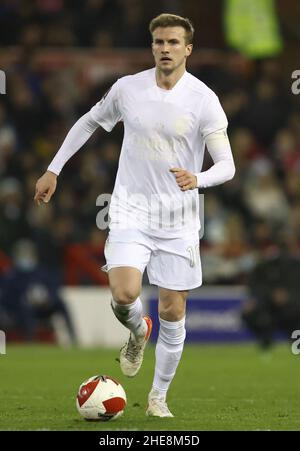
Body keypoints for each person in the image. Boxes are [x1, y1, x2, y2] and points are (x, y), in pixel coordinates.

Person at [34, 13, 235, 417]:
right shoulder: (128, 89)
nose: (165, 49)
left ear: (188, 49)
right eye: (159, 42)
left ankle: (158, 398)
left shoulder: (203, 99)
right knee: (124, 294)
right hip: (129, 209)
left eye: (174, 43)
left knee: (172, 311)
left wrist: (199, 179)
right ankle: (137, 330)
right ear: (152, 46)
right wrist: (54, 168)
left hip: (178, 218)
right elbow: (89, 121)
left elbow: (227, 165)